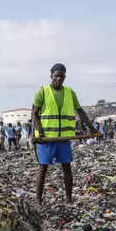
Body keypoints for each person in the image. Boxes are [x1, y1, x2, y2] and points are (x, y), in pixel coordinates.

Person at [32, 63, 98, 205]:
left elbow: (80, 111)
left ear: (65, 77)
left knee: (66, 167)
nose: (58, 79)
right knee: (43, 168)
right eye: (56, 76)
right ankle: (38, 200)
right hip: (47, 139)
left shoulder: (69, 92)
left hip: (64, 139)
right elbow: (34, 114)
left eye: (61, 76)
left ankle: (69, 199)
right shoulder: (42, 92)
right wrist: (41, 131)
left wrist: (92, 129)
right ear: (51, 76)